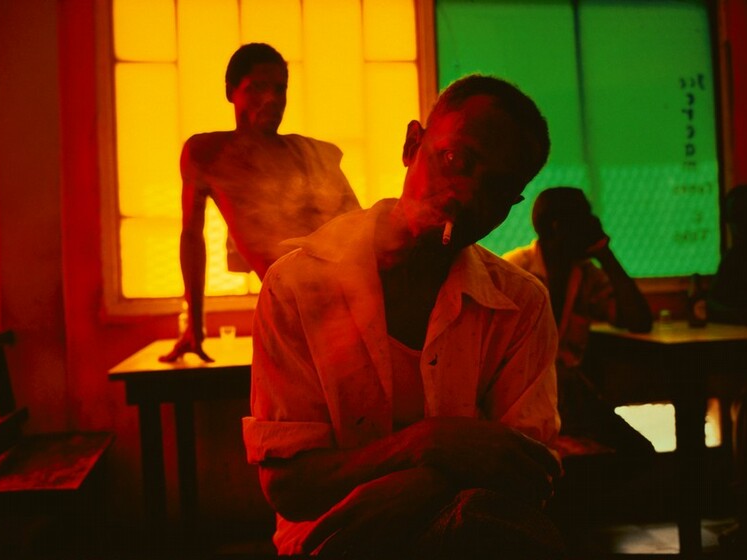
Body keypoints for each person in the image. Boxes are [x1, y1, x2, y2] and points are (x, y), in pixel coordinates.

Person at [242, 75, 565, 559]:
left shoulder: (521, 304)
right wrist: (429, 443)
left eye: (496, 188)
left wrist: (415, 487)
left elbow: (527, 473)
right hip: (330, 543)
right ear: (413, 144)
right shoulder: (297, 286)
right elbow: (288, 486)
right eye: (456, 160)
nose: (465, 195)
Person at [161, 43, 360, 363]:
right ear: (230, 92)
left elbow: (359, 234)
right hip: (289, 312)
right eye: (257, 88)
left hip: (346, 309)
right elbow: (192, 237)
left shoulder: (312, 156)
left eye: (280, 89)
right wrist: (195, 326)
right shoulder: (208, 154)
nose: (271, 99)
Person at [503, 187, 655, 459]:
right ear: (558, 227)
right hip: (522, 397)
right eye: (585, 217)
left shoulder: (584, 274)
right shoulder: (515, 272)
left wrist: (605, 252)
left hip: (567, 397)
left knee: (639, 453)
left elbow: (639, 321)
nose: (593, 223)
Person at [707, 184, 747, 555]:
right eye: (734, 219)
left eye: (745, 218)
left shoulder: (745, 256)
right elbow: (714, 304)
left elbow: (713, 307)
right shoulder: (737, 258)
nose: (737, 227)